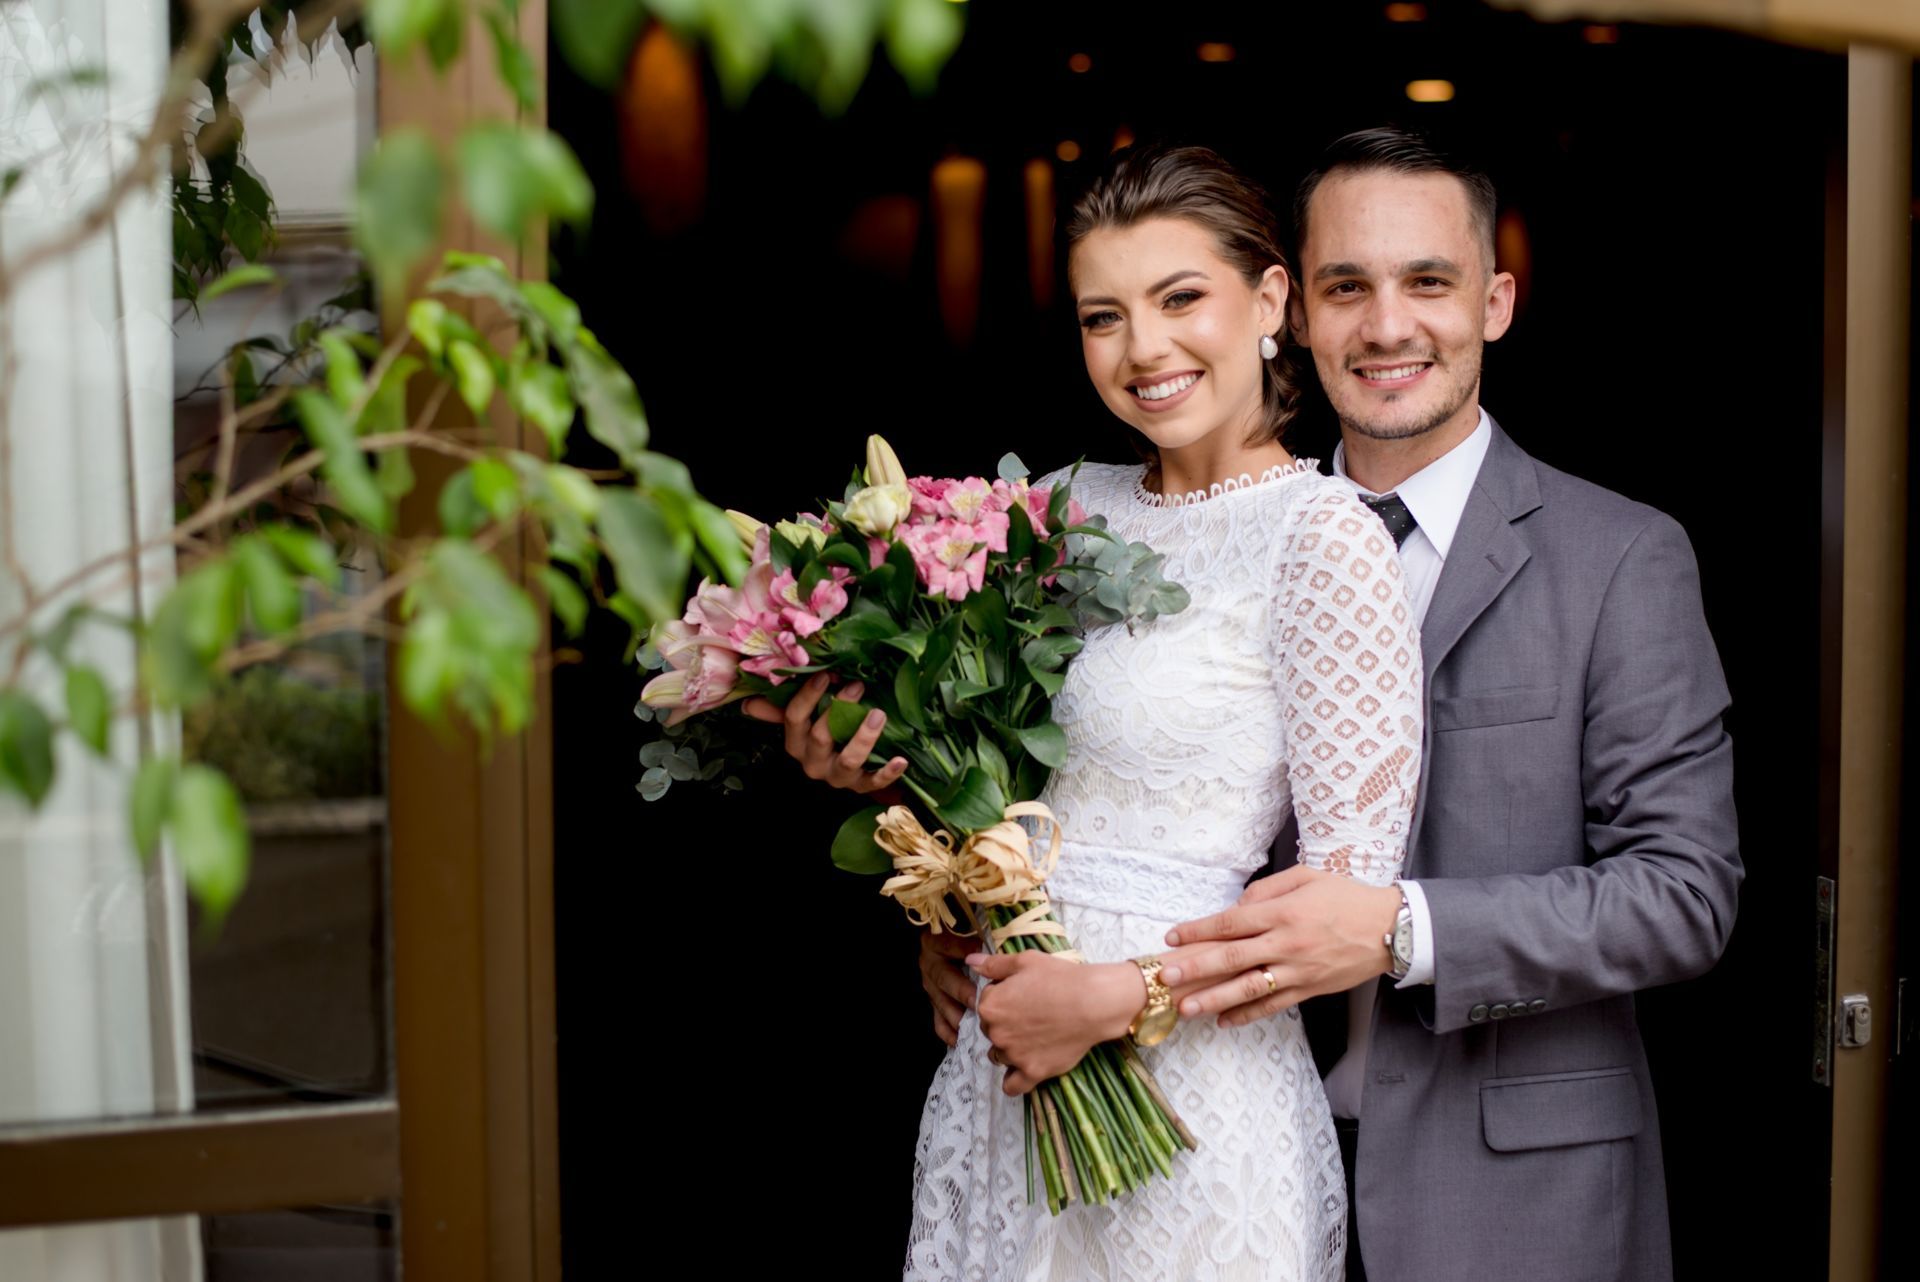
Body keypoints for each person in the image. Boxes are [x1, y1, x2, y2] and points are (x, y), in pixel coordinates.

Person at [749, 142, 1422, 1280]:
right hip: (1008, 1069)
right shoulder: (1056, 511)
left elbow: (1344, 914)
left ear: (1270, 302)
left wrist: (1116, 998)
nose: (1143, 349)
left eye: (1179, 299)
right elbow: (991, 783)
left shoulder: (1325, 537)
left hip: (1194, 1096)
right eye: (1102, 316)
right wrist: (901, 815)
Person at [1149, 128, 1742, 1281]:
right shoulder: (1212, 550)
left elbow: (1684, 894)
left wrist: (1398, 929)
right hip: (1219, 1169)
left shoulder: (1622, 557)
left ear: (1496, 302)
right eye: (1346, 287)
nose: (1385, 326)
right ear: (1294, 312)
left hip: (1523, 1200)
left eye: (1428, 281)